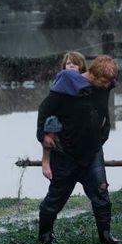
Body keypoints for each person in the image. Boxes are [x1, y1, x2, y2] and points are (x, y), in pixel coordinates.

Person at [36, 55, 121, 244]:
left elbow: (110, 77)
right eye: (105, 81)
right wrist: (44, 135)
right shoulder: (66, 87)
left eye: (110, 81)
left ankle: (105, 236)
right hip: (66, 152)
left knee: (102, 195)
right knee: (56, 198)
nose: (108, 85)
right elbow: (44, 109)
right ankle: (45, 235)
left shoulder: (104, 84)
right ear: (92, 74)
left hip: (92, 151)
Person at [41, 51, 88, 180]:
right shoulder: (61, 79)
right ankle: (45, 161)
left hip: (77, 125)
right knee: (52, 123)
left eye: (75, 64)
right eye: (68, 63)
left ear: (81, 67)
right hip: (58, 119)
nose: (71, 66)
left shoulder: (85, 82)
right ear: (64, 67)